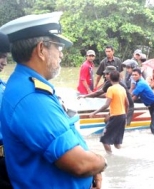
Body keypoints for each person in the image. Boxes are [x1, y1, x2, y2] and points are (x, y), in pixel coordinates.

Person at [0, 12, 107, 188]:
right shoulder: (31, 99)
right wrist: (101, 163)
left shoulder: (26, 86)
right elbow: (79, 163)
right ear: (41, 49)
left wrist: (92, 168)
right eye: (59, 47)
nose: (61, 55)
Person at [89, 71, 129, 154]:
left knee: (104, 139)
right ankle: (123, 154)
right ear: (120, 78)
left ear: (110, 78)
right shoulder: (122, 88)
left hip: (115, 116)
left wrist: (94, 113)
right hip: (122, 116)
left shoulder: (111, 89)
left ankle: (111, 157)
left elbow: (106, 105)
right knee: (117, 142)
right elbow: (127, 104)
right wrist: (126, 116)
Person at [131, 68, 154, 135]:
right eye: (132, 75)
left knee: (153, 127)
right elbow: (136, 96)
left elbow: (132, 95)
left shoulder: (141, 83)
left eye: (135, 75)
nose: (133, 76)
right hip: (152, 105)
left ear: (140, 75)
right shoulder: (138, 82)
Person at [0, 32, 12, 189]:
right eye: (1, 56)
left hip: (7, 157)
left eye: (5, 57)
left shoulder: (4, 86)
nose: (4, 62)